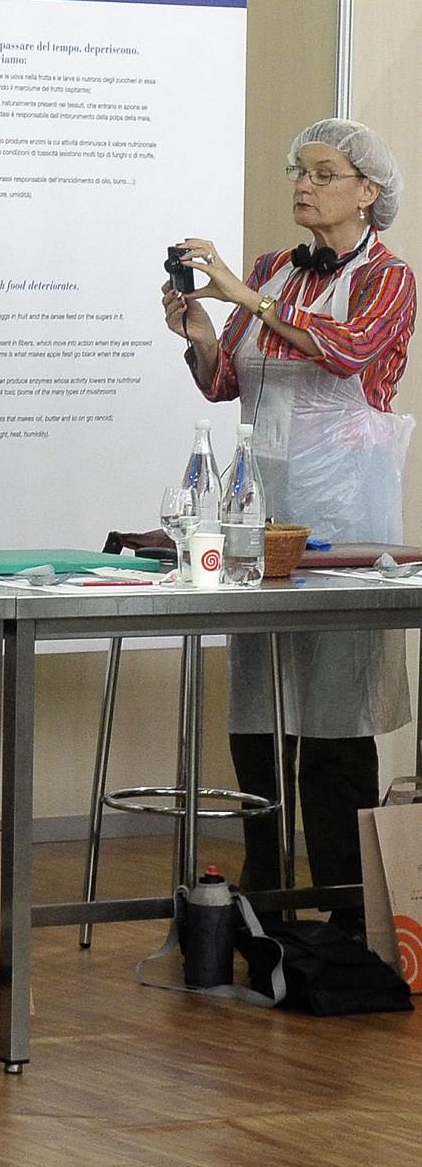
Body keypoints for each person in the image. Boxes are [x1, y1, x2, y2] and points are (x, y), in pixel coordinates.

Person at [164, 118, 414, 926]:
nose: (303, 185)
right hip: (260, 505)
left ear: (368, 191)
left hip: (346, 510)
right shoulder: (274, 270)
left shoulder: (390, 279)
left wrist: (246, 300)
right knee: (259, 703)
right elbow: (227, 385)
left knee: (337, 711)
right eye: (298, 172)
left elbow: (345, 352)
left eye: (323, 172)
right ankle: (264, 893)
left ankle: (347, 908)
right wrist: (204, 336)